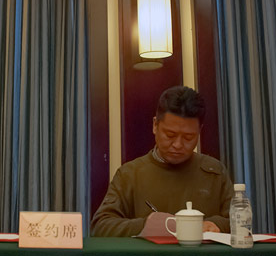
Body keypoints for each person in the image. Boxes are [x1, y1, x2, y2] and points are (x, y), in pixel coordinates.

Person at [90, 86, 234, 237]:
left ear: (200, 131)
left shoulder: (214, 172)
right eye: (170, 135)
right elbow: (100, 226)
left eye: (188, 137)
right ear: (155, 125)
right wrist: (146, 225)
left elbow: (241, 221)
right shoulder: (129, 174)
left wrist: (216, 224)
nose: (178, 145)